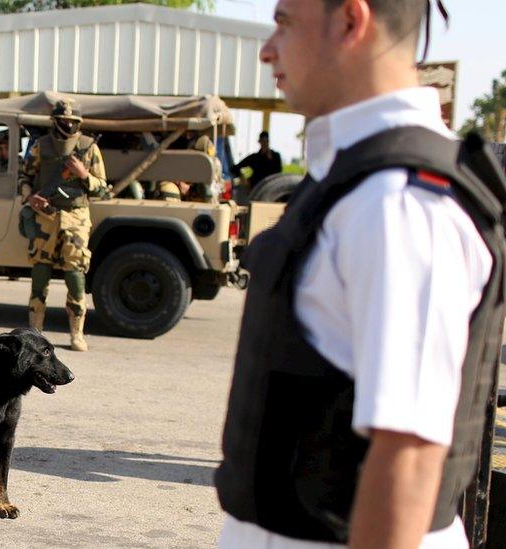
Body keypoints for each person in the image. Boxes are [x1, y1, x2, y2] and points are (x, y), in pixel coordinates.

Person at [216, 1, 505, 548]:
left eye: (284, 22)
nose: (266, 48)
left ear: (351, 20)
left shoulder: (397, 203)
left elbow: (408, 461)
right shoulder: (356, 182)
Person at [18, 99, 108, 352]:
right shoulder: (40, 146)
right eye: (64, 121)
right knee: (40, 273)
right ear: (55, 122)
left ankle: (77, 333)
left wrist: (83, 175)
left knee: (75, 274)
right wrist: (30, 196)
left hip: (76, 218)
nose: (69, 125)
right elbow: (25, 177)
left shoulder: (89, 148)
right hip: (45, 217)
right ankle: (35, 333)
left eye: (73, 121)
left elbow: (102, 188)